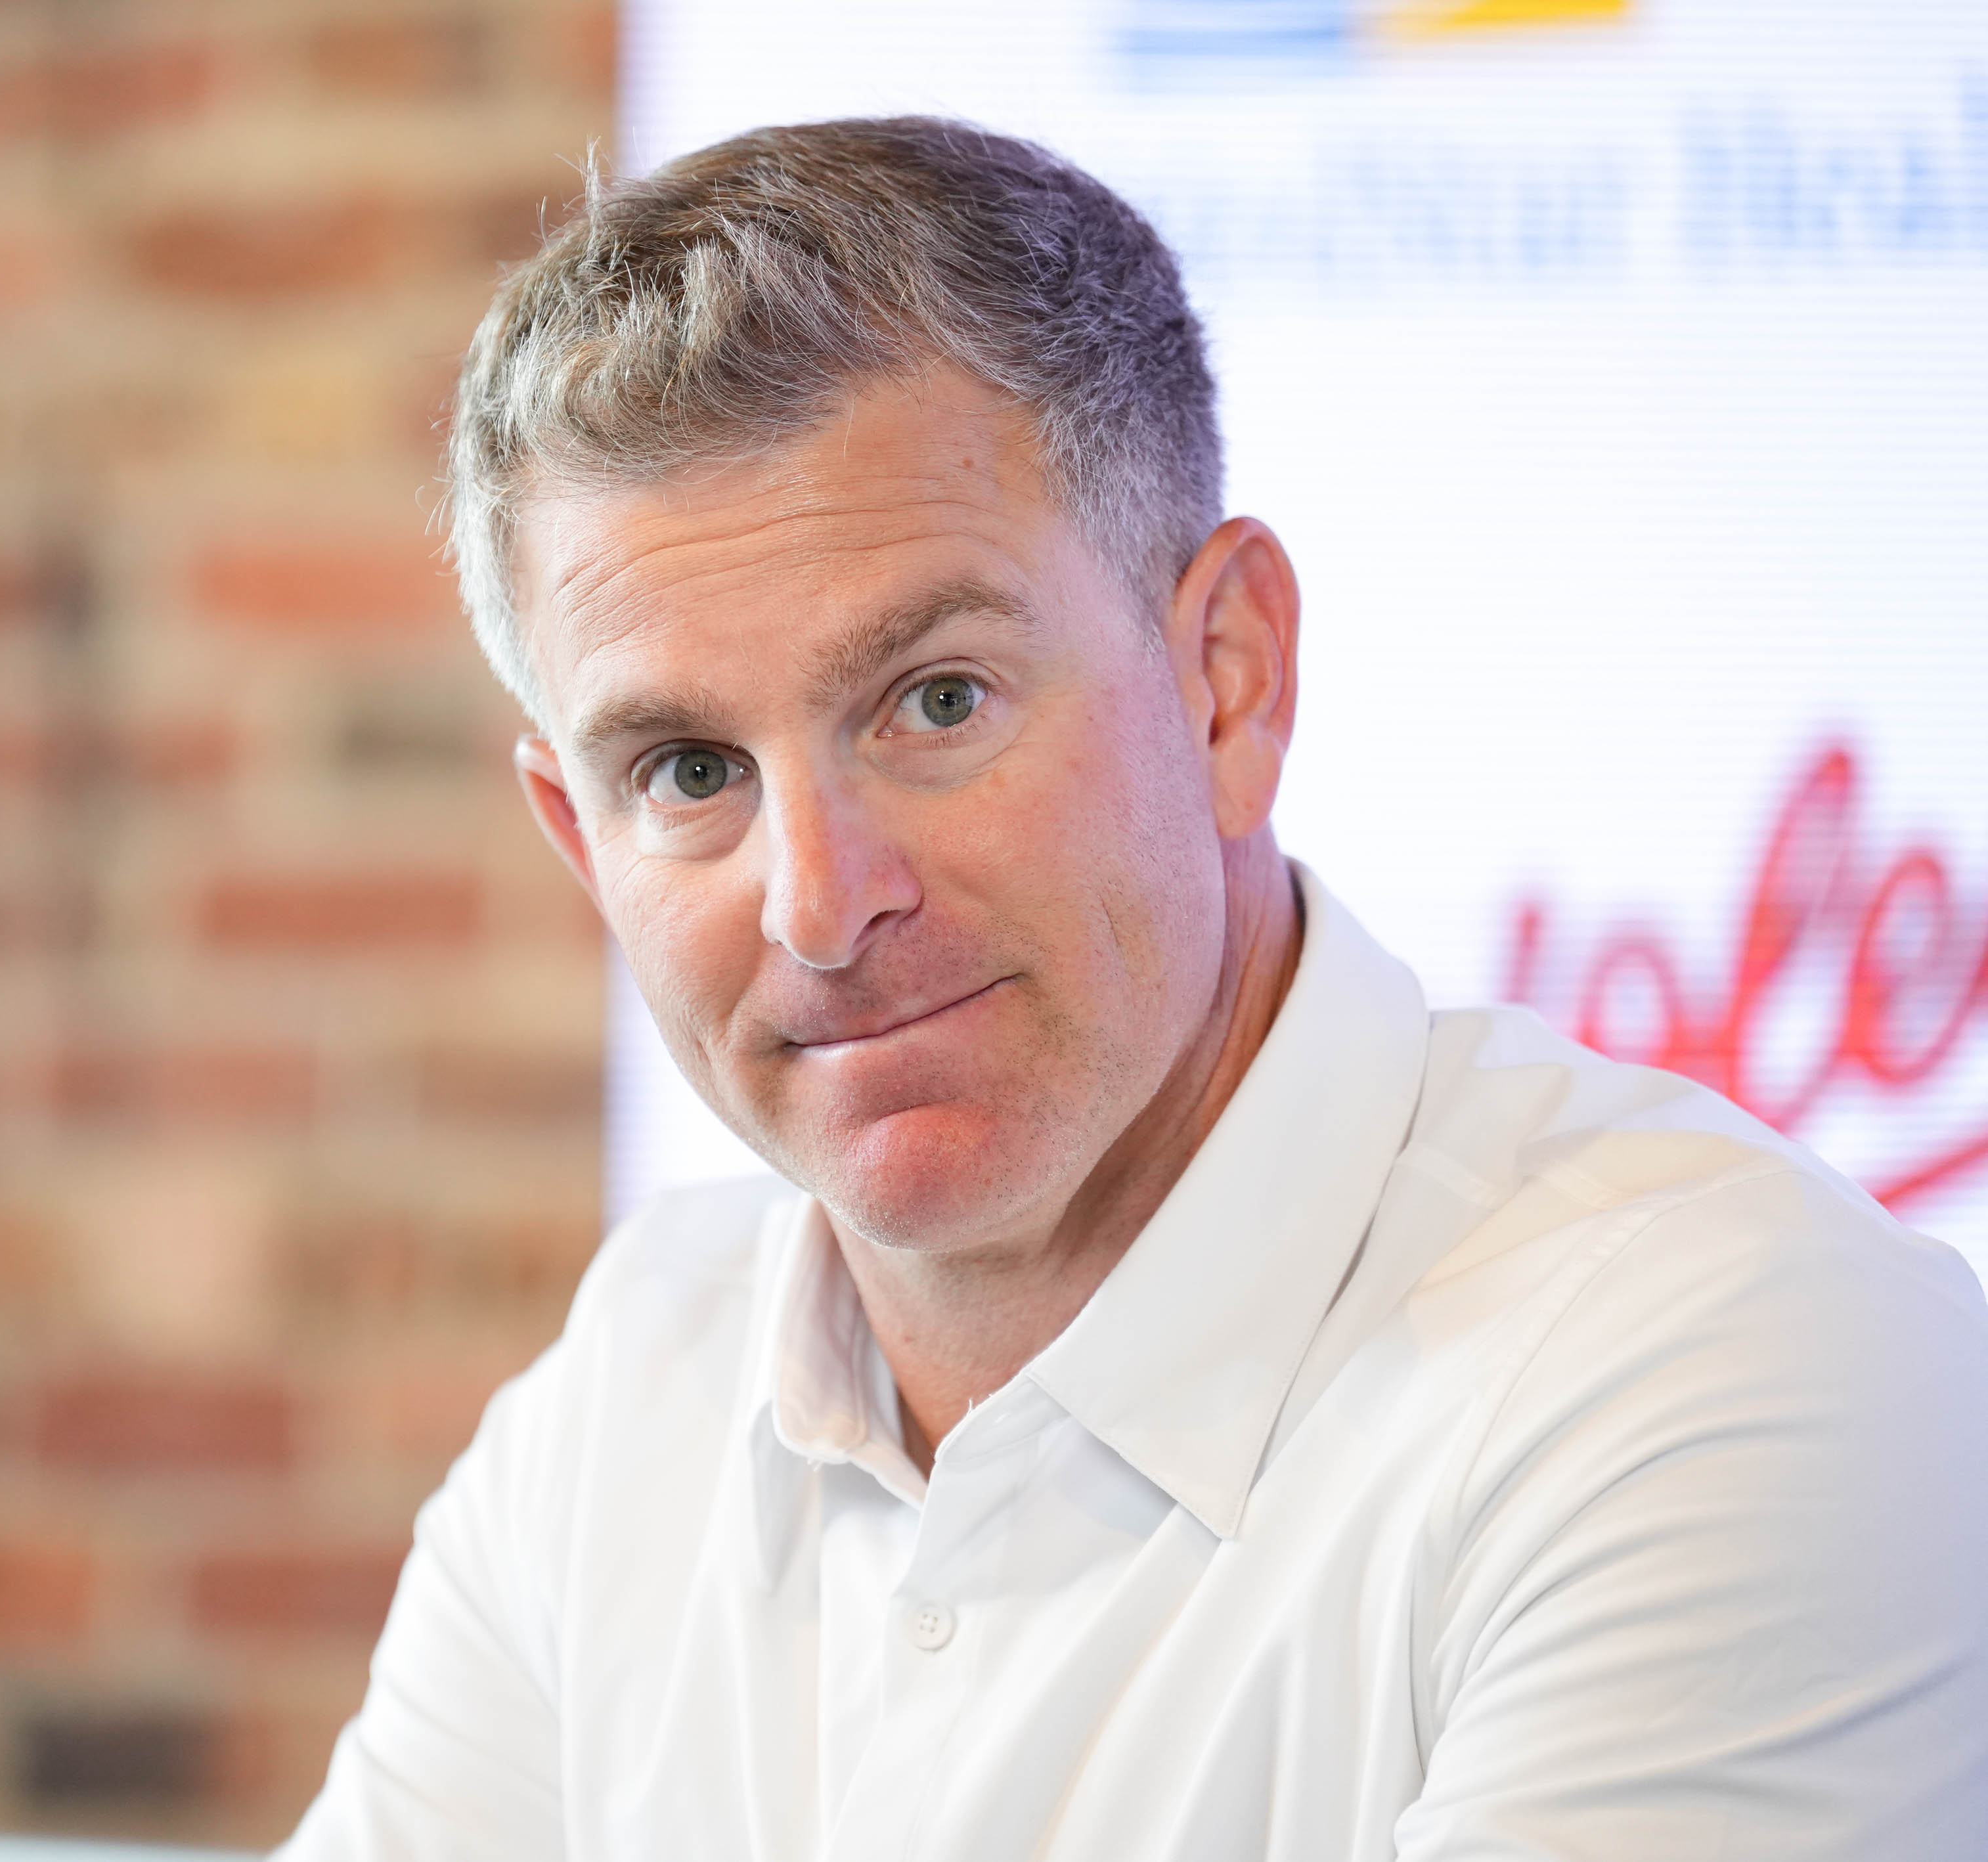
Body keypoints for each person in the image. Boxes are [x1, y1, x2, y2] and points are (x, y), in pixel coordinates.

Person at [276, 117, 1988, 1860]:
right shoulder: (629, 1389)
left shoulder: (1717, 1367)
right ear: (581, 844)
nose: (816, 901)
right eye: (687, 772)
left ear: (1227, 681)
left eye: (936, 700)